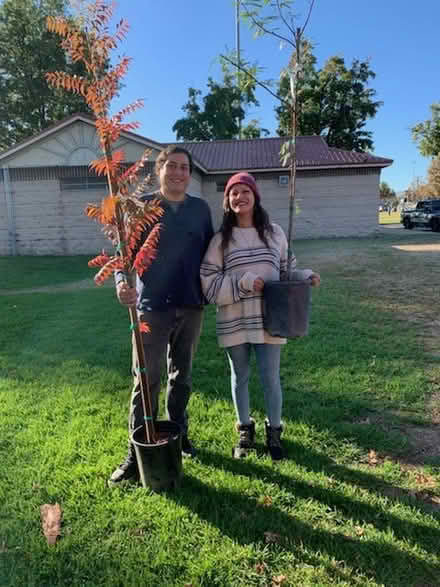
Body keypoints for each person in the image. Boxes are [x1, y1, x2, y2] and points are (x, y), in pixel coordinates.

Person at [109, 145, 214, 486]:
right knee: (146, 379)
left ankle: (178, 432)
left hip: (191, 304)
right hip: (152, 305)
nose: (179, 173)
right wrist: (122, 283)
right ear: (159, 170)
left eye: (184, 168)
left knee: (181, 376)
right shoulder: (143, 207)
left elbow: (212, 255)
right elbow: (121, 255)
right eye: (172, 166)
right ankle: (133, 453)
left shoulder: (200, 210)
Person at [200, 172, 320, 461]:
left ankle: (274, 432)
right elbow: (208, 280)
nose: (239, 197)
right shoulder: (220, 241)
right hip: (234, 318)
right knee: (239, 376)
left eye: (245, 191)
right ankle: (245, 430)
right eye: (233, 193)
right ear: (227, 201)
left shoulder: (274, 233)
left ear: (255, 196)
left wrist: (303, 277)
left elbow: (285, 269)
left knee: (270, 377)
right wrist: (242, 283)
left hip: (270, 319)